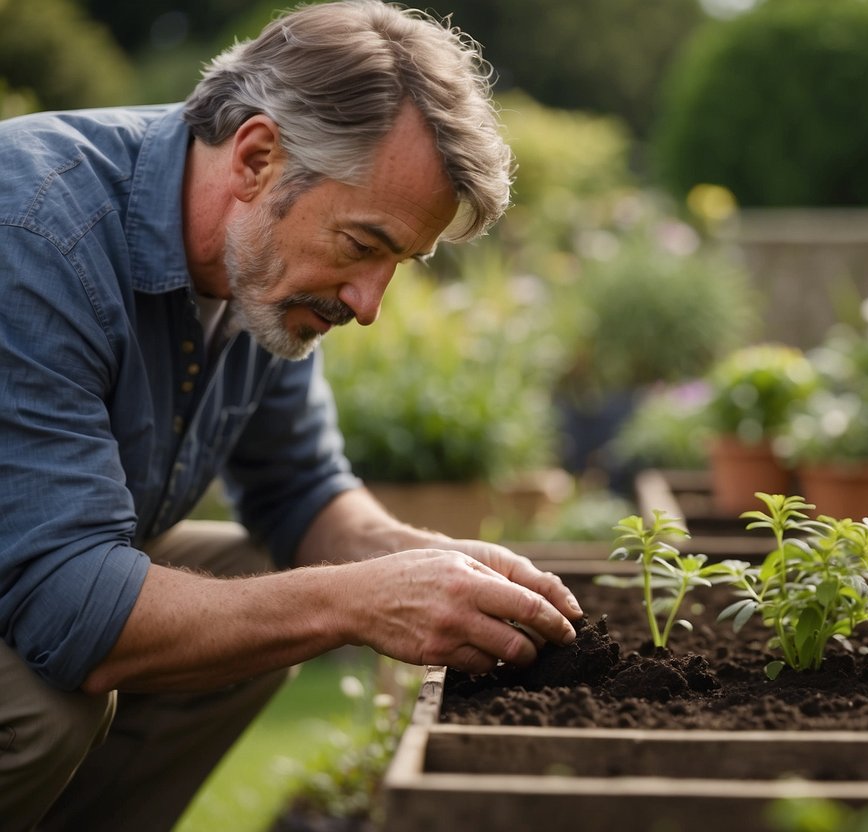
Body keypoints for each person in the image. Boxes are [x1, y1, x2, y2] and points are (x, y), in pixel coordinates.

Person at [0, 2, 583, 829]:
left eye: (400, 263)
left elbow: (302, 490)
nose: (370, 303)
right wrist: (352, 602)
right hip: (31, 579)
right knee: (39, 708)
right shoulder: (31, 231)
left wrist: (432, 564)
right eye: (362, 245)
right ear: (257, 157)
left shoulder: (257, 269)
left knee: (255, 583)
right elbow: (67, 607)